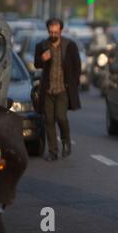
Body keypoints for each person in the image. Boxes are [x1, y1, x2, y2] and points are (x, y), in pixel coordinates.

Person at [34, 18, 82, 161]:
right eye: (51, 32)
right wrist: (42, 59)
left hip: (63, 89)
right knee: (48, 120)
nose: (53, 34)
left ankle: (66, 141)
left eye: (56, 32)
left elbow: (77, 66)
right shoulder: (42, 45)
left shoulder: (69, 45)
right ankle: (53, 151)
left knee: (61, 117)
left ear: (61, 31)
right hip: (48, 90)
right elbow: (36, 64)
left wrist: (74, 83)